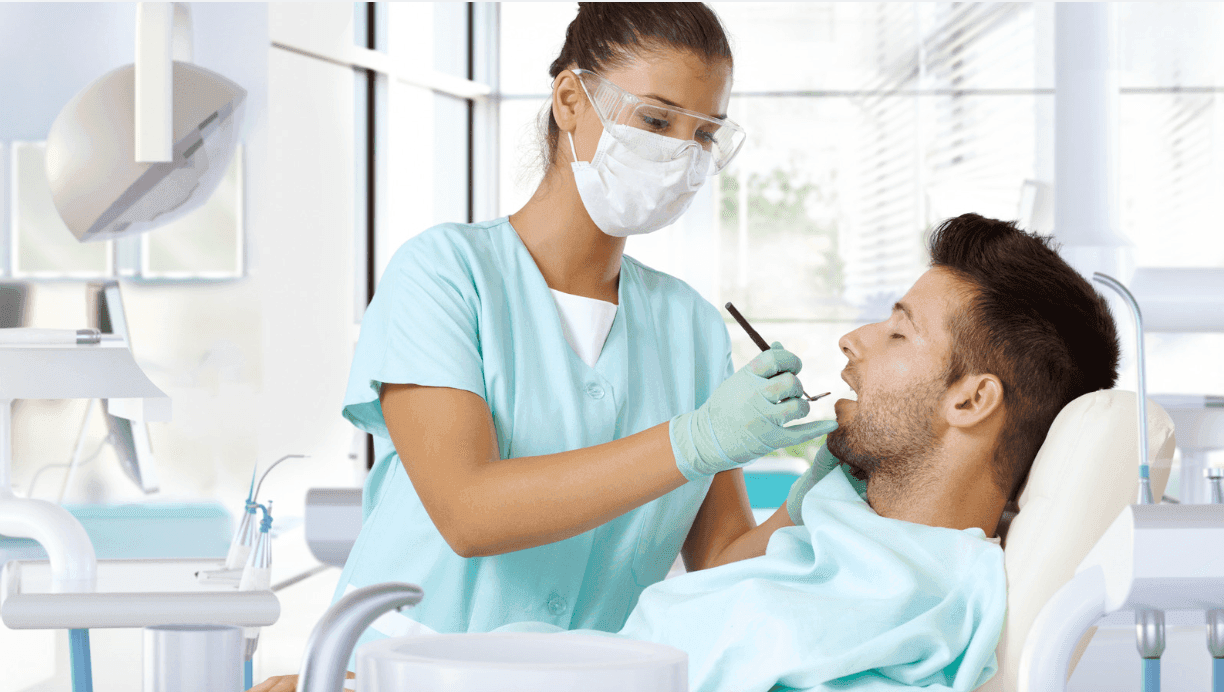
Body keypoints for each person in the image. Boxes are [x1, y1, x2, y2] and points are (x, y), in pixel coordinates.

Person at [251, 3, 834, 691]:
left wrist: (819, 493)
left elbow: (721, 562)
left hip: (577, 679)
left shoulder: (691, 326)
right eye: (656, 119)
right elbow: (469, 513)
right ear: (569, 100)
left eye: (704, 133)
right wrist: (694, 441)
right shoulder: (443, 274)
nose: (681, 152)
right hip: (397, 670)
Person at [492, 214, 1122, 692]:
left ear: (970, 401)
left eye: (900, 332)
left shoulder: (921, 607)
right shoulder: (842, 520)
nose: (852, 341)